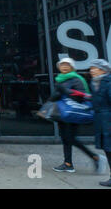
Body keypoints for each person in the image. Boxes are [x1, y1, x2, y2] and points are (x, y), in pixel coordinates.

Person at [50, 57, 105, 173]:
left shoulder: (77, 79)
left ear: (72, 67)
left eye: (67, 65)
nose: (64, 67)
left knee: (71, 138)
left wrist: (64, 91)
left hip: (73, 113)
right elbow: (54, 97)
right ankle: (68, 163)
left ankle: (95, 157)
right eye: (62, 65)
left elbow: (80, 97)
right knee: (65, 139)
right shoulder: (60, 79)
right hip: (62, 114)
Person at [89, 59, 111, 187]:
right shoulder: (95, 82)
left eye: (95, 68)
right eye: (91, 68)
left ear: (103, 70)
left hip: (108, 120)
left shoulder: (108, 82)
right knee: (107, 149)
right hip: (101, 120)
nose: (92, 70)